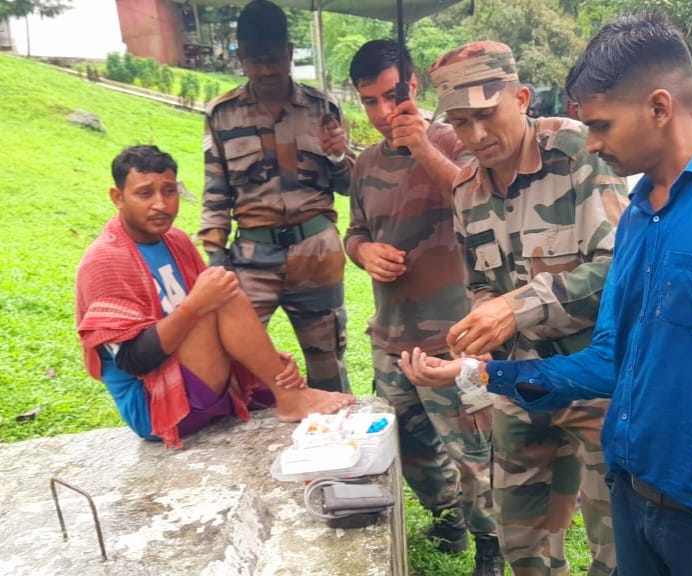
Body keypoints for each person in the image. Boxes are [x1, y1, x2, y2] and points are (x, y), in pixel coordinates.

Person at [402, 14, 692, 576]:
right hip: (637, 503)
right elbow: (612, 360)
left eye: (602, 125)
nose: (595, 142)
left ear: (659, 108)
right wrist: (480, 374)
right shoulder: (639, 215)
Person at [404, 41, 629, 576]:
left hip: (595, 381)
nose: (475, 136)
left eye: (486, 115)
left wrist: (516, 309)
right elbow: (480, 283)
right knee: (523, 545)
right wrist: (476, 341)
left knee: (618, 546)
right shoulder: (465, 189)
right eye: (460, 123)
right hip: (519, 382)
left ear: (521, 97)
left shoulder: (579, 154)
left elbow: (619, 270)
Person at [343, 40, 501, 576]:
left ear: (413, 87)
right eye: (370, 102)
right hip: (391, 336)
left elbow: (475, 200)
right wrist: (364, 252)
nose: (383, 113)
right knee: (411, 450)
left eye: (391, 96)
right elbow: (355, 231)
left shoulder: (456, 143)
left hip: (453, 337)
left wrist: (422, 149)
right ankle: (448, 519)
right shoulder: (364, 164)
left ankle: (491, 543)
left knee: (474, 453)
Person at [76, 145, 355, 448]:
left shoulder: (176, 241)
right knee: (219, 294)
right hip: (155, 406)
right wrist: (194, 306)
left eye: (169, 191)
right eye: (145, 194)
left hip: (193, 375)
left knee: (221, 290)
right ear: (118, 198)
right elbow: (133, 361)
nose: (161, 204)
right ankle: (289, 397)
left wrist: (266, 362)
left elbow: (213, 324)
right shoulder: (104, 261)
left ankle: (285, 390)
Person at [200, 0, 352, 392]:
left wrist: (338, 154)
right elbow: (215, 193)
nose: (265, 69)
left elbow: (350, 185)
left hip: (316, 256)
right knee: (235, 361)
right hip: (252, 260)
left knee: (327, 366)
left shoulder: (322, 108)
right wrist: (217, 263)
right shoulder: (222, 114)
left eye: (272, 58)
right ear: (241, 58)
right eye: (254, 60)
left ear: (288, 53)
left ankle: (337, 444)